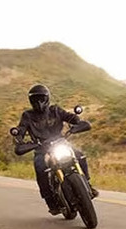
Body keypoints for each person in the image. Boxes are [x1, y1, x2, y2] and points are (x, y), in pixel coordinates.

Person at [13, 84, 99, 215]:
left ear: (47, 98)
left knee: (80, 156)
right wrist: (19, 137)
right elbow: (21, 130)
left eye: (42, 98)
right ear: (31, 101)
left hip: (60, 143)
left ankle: (87, 183)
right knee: (40, 167)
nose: (39, 102)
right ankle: (50, 201)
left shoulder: (56, 110)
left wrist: (76, 122)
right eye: (36, 99)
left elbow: (72, 118)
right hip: (42, 149)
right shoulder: (27, 116)